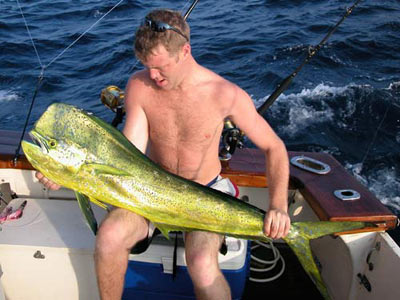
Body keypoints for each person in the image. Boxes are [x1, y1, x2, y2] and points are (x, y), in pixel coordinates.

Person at [36, 9, 291, 300]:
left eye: (161, 68)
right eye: (147, 67)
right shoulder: (139, 85)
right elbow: (127, 155)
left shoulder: (225, 94)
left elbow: (275, 147)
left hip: (204, 193)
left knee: (203, 264)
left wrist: (278, 205)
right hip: (148, 189)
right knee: (109, 238)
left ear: (185, 51)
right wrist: (63, 173)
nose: (153, 76)